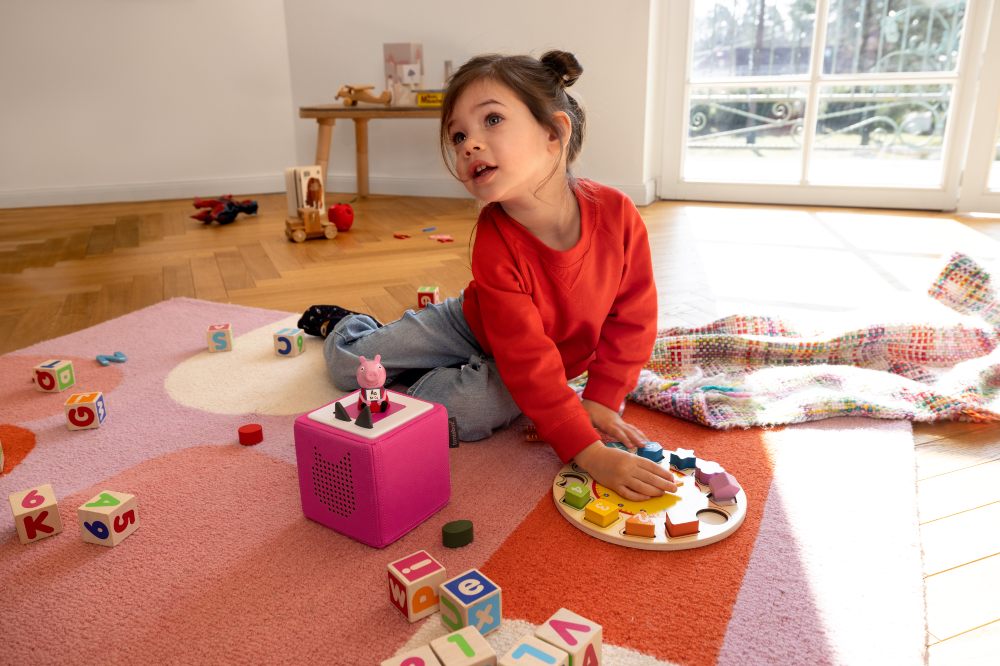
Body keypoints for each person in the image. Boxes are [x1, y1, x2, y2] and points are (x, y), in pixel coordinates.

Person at [298, 50, 676, 501]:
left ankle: (413, 374)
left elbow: (632, 319)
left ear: (554, 132)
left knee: (460, 411)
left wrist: (598, 400)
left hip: (537, 362)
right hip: (471, 322)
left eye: (492, 120)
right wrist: (590, 454)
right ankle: (350, 323)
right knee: (347, 366)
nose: (469, 144)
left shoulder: (617, 214)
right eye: (458, 136)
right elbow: (522, 350)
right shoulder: (495, 238)